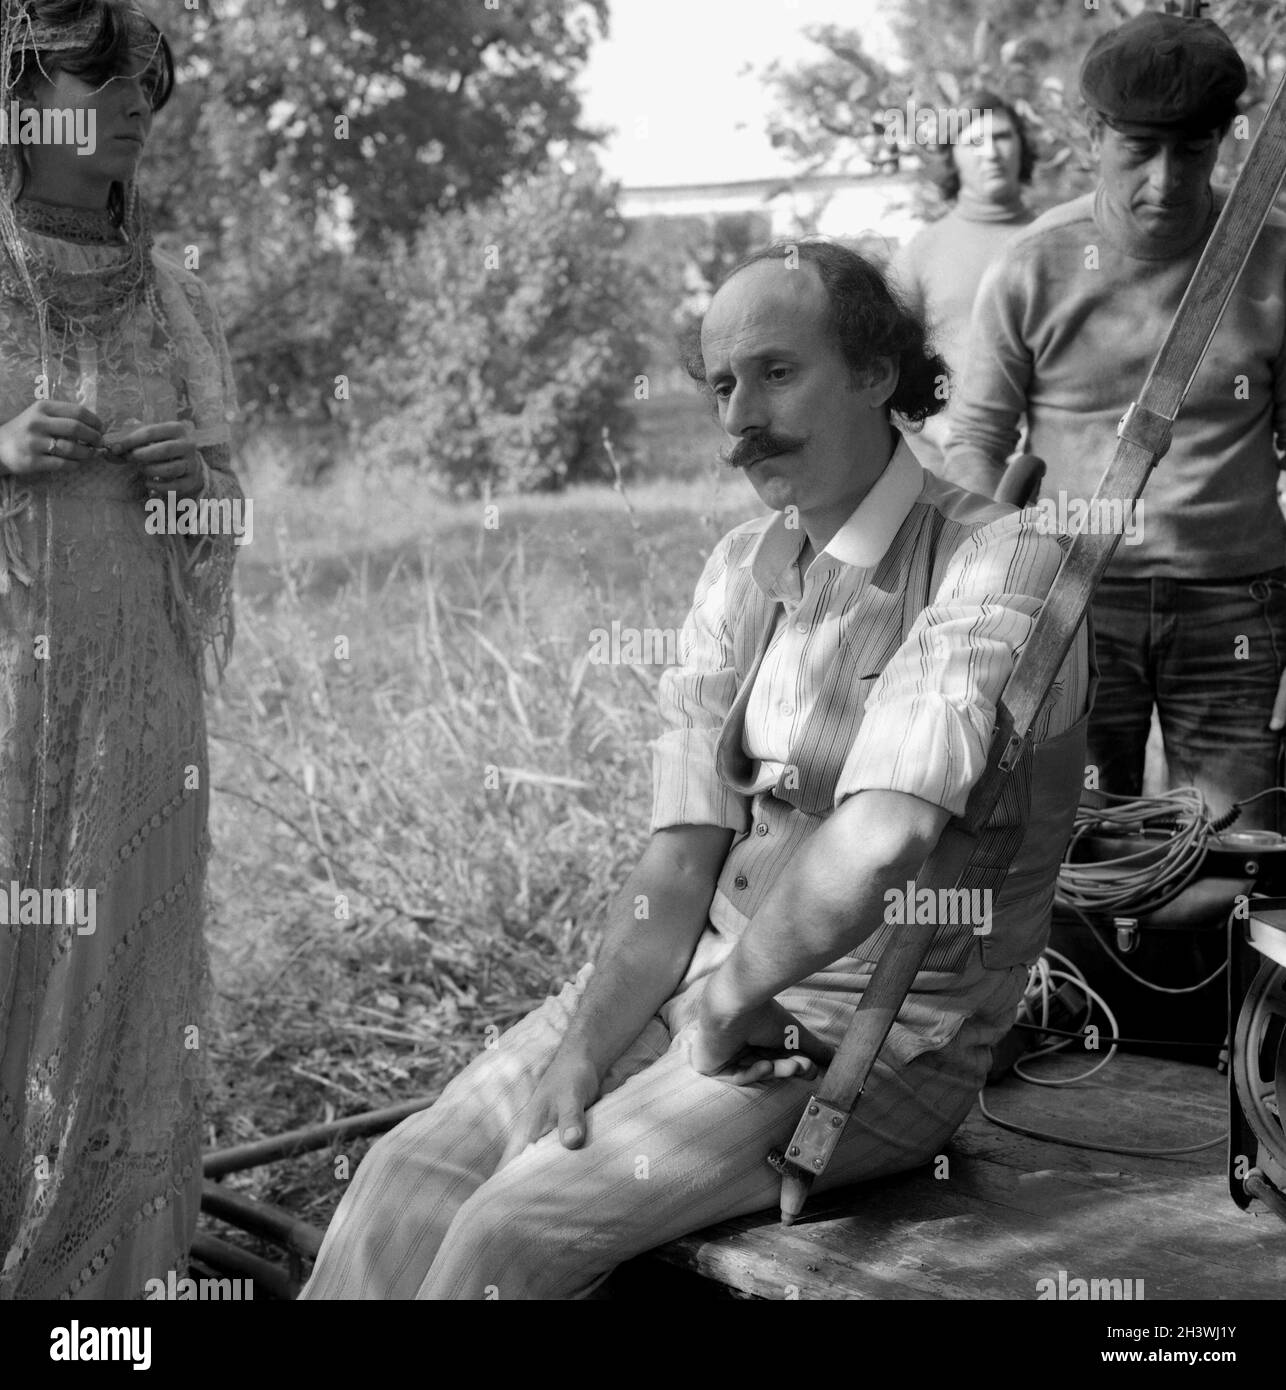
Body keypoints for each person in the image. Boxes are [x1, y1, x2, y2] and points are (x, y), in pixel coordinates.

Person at [299, 239, 1091, 1301]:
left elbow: (886, 833)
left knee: (513, 1223)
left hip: (878, 1034)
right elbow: (678, 854)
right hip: (701, 988)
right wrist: (586, 1042)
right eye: (721, 384)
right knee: (410, 1174)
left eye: (774, 372)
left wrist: (724, 1004)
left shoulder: (1002, 559)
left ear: (874, 373)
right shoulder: (741, 567)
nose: (737, 419)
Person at [0, 0, 241, 1298]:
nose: (139, 100)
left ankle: (95, 1291)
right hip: (6, 709)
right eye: (105, 76)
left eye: (151, 78)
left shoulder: (179, 303)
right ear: (19, 106)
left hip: (141, 710)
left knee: (125, 988)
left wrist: (190, 482)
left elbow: (226, 531)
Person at [943, 10, 1286, 830]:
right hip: (1072, 602)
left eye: (1193, 150)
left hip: (1241, 603)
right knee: (1070, 849)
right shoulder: (1033, 265)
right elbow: (978, 441)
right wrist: (973, 608)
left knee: (1238, 857)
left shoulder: (1273, 261)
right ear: (1093, 133)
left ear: (1225, 140)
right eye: (1138, 149)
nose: (1166, 181)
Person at [894, 90, 1036, 472]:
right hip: (952, 475)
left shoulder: (1056, 239)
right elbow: (888, 369)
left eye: (1003, 137)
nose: (991, 152)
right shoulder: (921, 251)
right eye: (974, 141)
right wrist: (943, 433)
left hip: (1048, 467)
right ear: (952, 155)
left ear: (1022, 146)